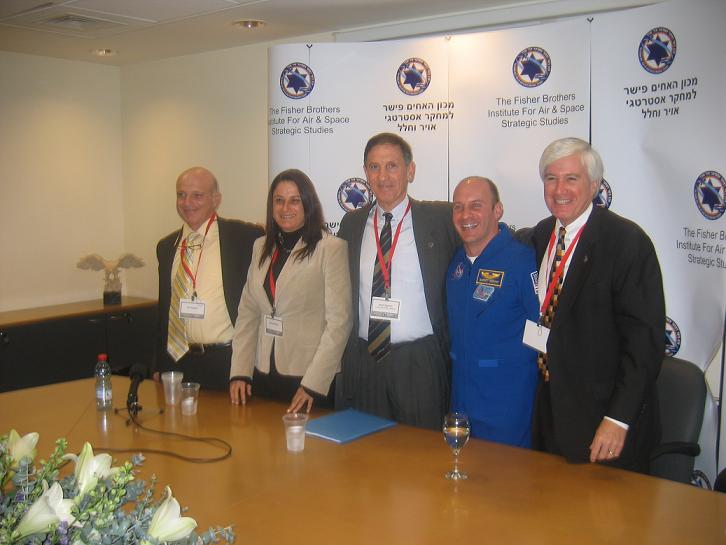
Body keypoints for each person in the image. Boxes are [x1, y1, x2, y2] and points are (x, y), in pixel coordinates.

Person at [528, 137, 665, 472]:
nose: (559, 189)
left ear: (594, 186)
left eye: (571, 179)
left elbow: (644, 343)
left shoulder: (626, 242)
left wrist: (618, 419)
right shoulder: (540, 235)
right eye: (551, 178)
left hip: (603, 421)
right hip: (549, 410)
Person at [337, 132, 458, 430]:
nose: (383, 176)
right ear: (365, 173)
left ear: (410, 170)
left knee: (420, 461)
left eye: (392, 166)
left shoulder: (440, 219)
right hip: (366, 362)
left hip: (418, 364)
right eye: (374, 167)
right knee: (366, 458)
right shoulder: (351, 224)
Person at [229, 169, 352, 413]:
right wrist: (240, 372)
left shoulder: (330, 249)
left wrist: (313, 383)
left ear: (308, 204)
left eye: (295, 200)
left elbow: (339, 322)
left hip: (307, 380)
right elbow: (248, 314)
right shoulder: (260, 247)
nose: (286, 207)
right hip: (262, 372)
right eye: (279, 200)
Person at [446, 177, 539, 447]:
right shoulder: (456, 263)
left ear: (497, 211)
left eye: (476, 205)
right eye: (458, 207)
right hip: (461, 403)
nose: (466, 216)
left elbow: (543, 333)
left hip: (507, 407)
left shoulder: (522, 262)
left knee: (506, 484)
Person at [155, 166, 263, 390]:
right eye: (181, 195)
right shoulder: (166, 247)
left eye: (197, 195)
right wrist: (159, 362)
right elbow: (164, 309)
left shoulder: (243, 237)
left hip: (227, 360)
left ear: (216, 199)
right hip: (178, 360)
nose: (187, 203)